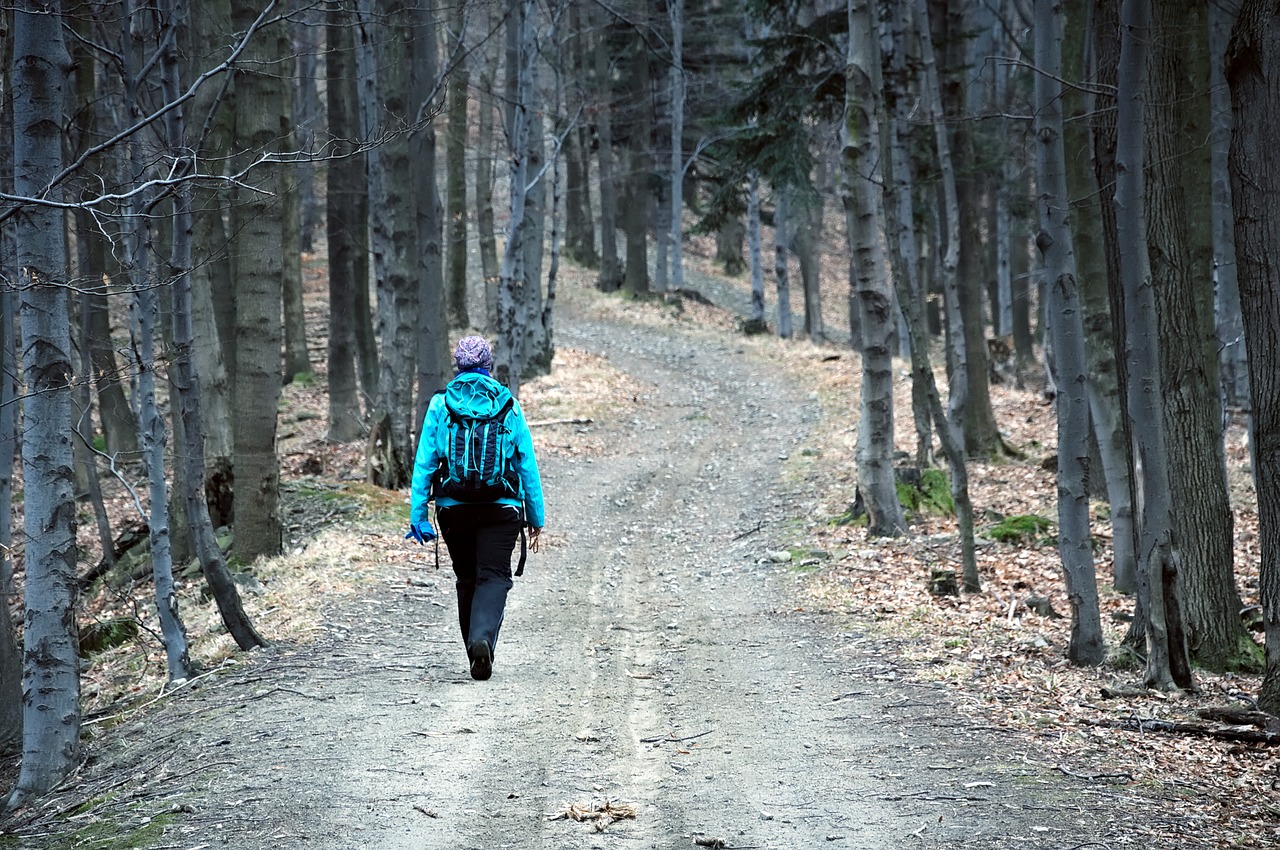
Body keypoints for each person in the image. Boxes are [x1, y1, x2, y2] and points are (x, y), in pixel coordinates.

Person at [406, 336, 545, 680]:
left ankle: (474, 647)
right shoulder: (508, 405)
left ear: (458, 366)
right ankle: (482, 639)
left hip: (454, 509)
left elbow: (424, 463)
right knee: (494, 576)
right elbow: (526, 463)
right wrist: (535, 517)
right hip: (502, 509)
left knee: (467, 577)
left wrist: (418, 515)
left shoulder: (440, 405)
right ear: (488, 365)